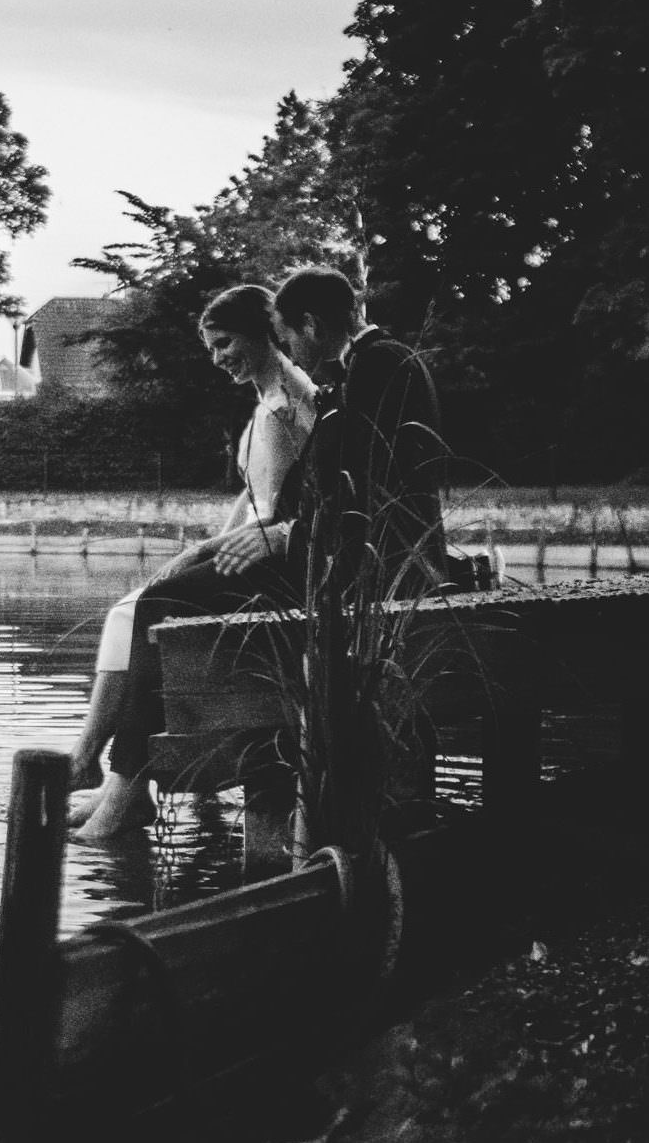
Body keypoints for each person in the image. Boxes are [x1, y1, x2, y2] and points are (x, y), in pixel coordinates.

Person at [71, 266, 447, 842]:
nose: (287, 349)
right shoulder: (368, 366)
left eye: (286, 333)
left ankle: (125, 789)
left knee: (159, 603)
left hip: (354, 571)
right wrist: (279, 532)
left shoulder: (376, 367)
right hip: (333, 559)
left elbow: (378, 489)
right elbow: (335, 481)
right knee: (160, 600)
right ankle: (123, 783)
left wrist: (287, 535)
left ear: (312, 325)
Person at [67, 283, 317, 803]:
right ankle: (97, 765)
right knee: (126, 610)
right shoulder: (265, 403)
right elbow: (251, 501)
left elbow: (276, 518)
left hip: (281, 564)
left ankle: (115, 778)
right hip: (255, 548)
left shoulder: (287, 405)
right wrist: (204, 548)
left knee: (151, 607)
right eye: (211, 348)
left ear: (263, 332)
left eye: (225, 342)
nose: (218, 358)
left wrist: (195, 555)